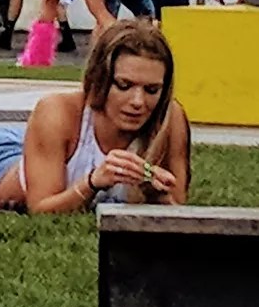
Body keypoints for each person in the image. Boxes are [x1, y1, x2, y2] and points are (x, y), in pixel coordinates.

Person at [21, 18, 192, 210]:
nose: (138, 101)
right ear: (99, 79)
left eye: (152, 90)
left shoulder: (170, 118)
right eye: (124, 85)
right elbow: (40, 209)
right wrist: (93, 182)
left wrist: (157, 194)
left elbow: (178, 209)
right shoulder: (57, 112)